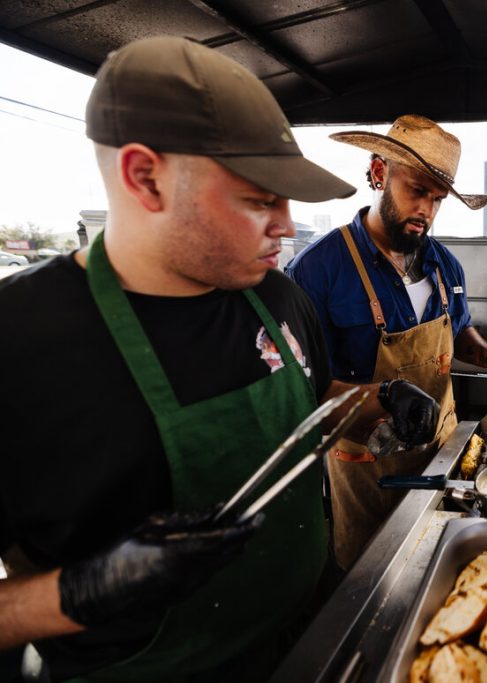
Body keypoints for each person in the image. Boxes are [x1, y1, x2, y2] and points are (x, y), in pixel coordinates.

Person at [0, 36, 439, 682]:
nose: (286, 224)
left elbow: (312, 398)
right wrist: (83, 590)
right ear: (145, 177)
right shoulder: (21, 342)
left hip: (311, 642)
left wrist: (379, 399)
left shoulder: (279, 297)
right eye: (259, 199)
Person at [285, 114, 487, 569]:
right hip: (369, 466)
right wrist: (370, 421)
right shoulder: (318, 270)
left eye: (437, 199)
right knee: (372, 580)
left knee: (439, 568)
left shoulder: (444, 265)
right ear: (379, 173)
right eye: (417, 191)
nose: (426, 210)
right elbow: (303, 391)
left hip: (442, 455)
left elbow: (458, 331)